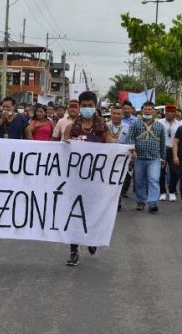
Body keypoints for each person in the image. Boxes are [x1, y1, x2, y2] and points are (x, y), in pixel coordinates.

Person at [64, 91, 111, 266]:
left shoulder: (103, 129)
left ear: (96, 106)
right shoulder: (71, 128)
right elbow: (62, 153)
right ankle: (74, 251)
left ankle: (92, 239)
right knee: (74, 215)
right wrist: (66, 145)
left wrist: (126, 153)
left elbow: (111, 151)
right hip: (75, 181)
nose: (86, 108)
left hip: (95, 181)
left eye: (90, 105)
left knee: (92, 213)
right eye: (83, 105)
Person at [126, 101, 166, 214]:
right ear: (142, 110)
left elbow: (162, 142)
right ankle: (140, 201)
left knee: (153, 179)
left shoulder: (159, 126)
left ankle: (153, 202)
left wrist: (163, 157)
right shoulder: (135, 124)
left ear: (154, 111)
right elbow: (130, 139)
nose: (147, 111)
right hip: (139, 158)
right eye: (145, 109)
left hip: (154, 158)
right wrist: (132, 152)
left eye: (150, 109)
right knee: (139, 181)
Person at [107, 105, 130, 210]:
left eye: (118, 114)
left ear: (122, 115)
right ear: (111, 114)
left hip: (121, 159)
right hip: (107, 159)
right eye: (114, 113)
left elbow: (130, 143)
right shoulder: (104, 126)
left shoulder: (128, 128)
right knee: (108, 181)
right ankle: (109, 202)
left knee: (119, 180)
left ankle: (117, 201)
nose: (116, 116)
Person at [158, 104, 181, 202]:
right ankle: (162, 192)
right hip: (161, 149)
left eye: (172, 112)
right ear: (165, 112)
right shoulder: (159, 123)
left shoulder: (179, 124)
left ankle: (172, 191)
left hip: (174, 150)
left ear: (175, 113)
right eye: (168, 111)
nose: (170, 113)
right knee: (161, 172)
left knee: (175, 172)